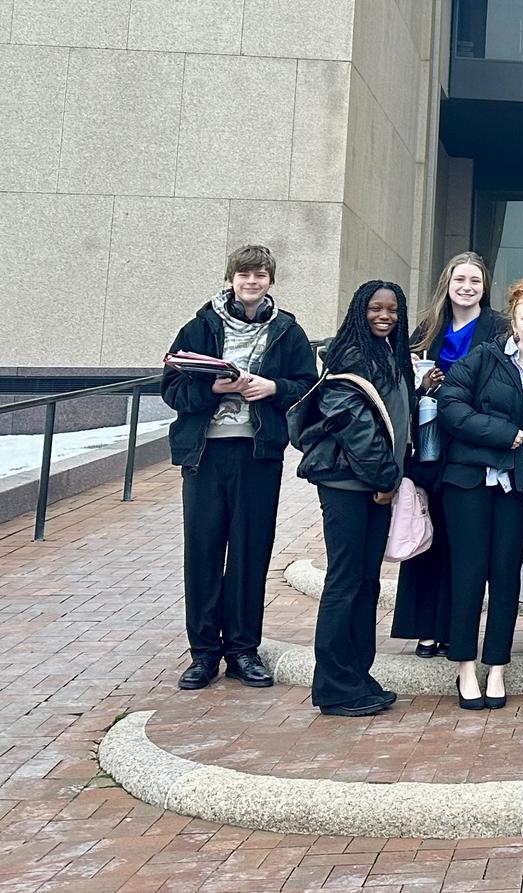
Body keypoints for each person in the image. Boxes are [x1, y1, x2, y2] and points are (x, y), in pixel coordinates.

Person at [163, 244, 317, 690]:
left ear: (271, 281)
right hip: (205, 454)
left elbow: (308, 386)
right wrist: (212, 389)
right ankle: (204, 654)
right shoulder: (199, 326)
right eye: (244, 274)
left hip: (258, 453)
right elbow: (171, 387)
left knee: (251, 551)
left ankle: (244, 651)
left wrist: (272, 386)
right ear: (231, 278)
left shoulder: (288, 331)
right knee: (204, 551)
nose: (252, 282)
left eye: (261, 275)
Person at [435, 277, 523, 710]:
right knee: (469, 572)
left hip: (517, 488)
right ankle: (465, 667)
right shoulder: (484, 358)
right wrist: (506, 434)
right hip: (469, 481)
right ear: (513, 319)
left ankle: (497, 668)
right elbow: (451, 407)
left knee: (506, 576)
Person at [292, 280, 413, 717]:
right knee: (344, 584)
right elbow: (356, 428)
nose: (385, 316)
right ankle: (334, 687)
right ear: (360, 311)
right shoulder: (350, 357)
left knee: (365, 583)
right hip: (349, 487)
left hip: (376, 487)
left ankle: (358, 676)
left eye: (393, 310)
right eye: (376, 309)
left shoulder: (388, 356)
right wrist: (385, 478)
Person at [393, 252, 508, 659]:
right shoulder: (427, 328)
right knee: (430, 537)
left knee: (463, 545)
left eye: (475, 280)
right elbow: (401, 380)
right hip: (430, 445)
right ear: (447, 282)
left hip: (471, 446)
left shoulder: (499, 328)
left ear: (484, 286)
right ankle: (427, 628)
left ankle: (454, 630)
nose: (467, 286)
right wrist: (421, 381)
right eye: (460, 278)